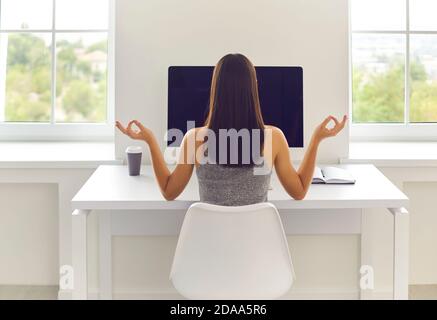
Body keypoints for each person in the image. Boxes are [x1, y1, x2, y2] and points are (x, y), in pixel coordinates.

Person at [116, 53, 347, 205]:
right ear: (253, 88)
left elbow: (169, 192)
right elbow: (299, 192)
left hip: (211, 257)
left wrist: (150, 140)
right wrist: (316, 139)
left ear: (215, 88)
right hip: (257, 259)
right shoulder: (274, 137)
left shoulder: (194, 139)